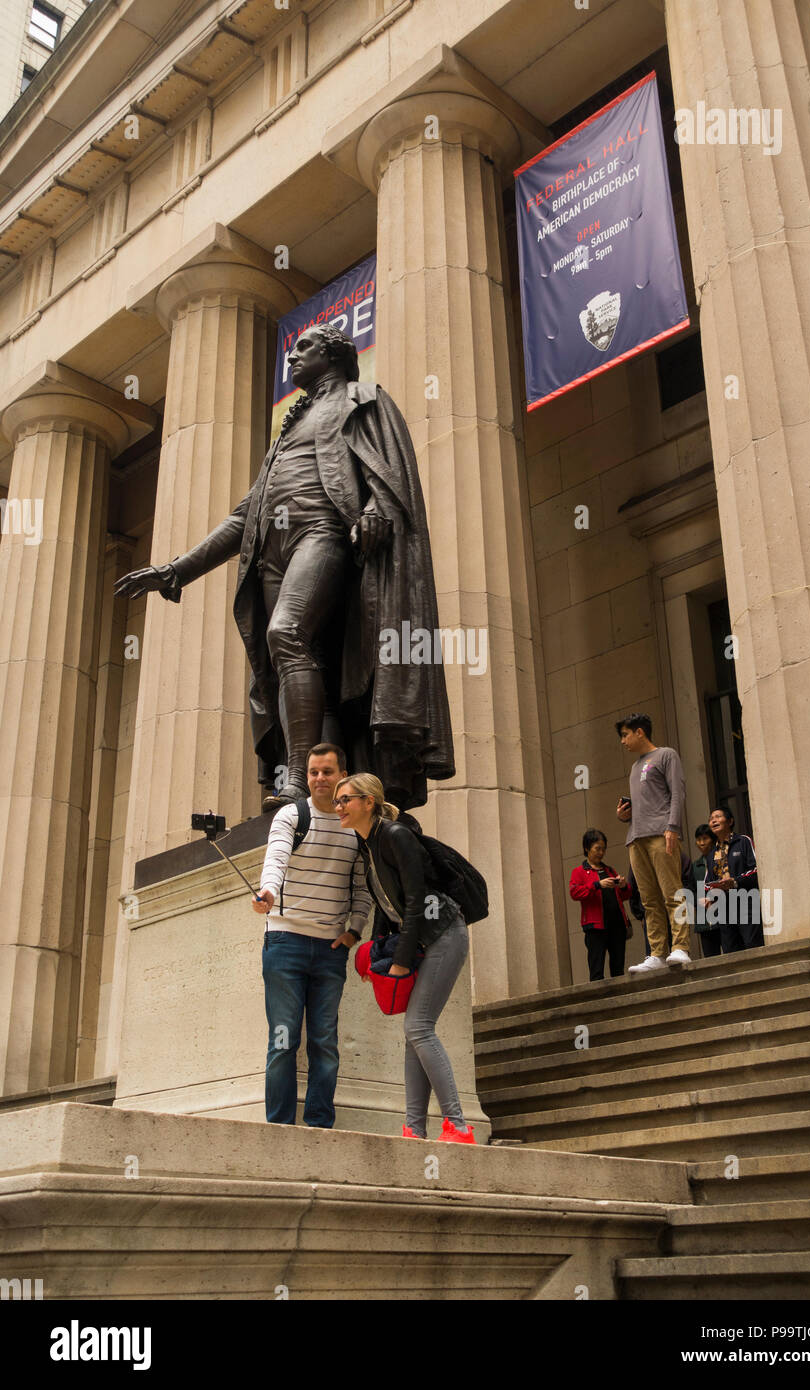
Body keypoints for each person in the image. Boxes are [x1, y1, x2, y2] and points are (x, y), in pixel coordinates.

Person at [114, 324, 454, 812]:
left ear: (334, 354)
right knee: (307, 666)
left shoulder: (361, 398)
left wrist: (378, 509)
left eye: (304, 349)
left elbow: (389, 471)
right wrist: (176, 571)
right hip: (271, 554)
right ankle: (327, 787)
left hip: (324, 532)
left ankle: (296, 778)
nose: (292, 358)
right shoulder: (288, 429)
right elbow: (243, 515)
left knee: (286, 632)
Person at [333, 772, 475, 1144]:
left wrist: (400, 959)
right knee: (414, 1031)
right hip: (423, 941)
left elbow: (415, 902)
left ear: (368, 802)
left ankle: (458, 1126)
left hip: (444, 933)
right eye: (337, 801)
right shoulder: (368, 844)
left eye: (345, 799)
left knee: (418, 1027)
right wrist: (378, 950)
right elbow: (386, 907)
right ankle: (414, 1128)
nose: (339, 807)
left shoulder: (396, 836)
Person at [252, 743, 372, 1127]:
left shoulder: (352, 826)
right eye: (314, 772)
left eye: (328, 772)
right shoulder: (291, 815)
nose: (320, 779)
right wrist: (268, 892)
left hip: (330, 950)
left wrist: (355, 930)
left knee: (325, 1044)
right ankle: (280, 1128)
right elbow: (276, 859)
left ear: (342, 775)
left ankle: (319, 1126)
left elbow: (362, 886)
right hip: (284, 943)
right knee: (283, 1042)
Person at [615, 712, 691, 972]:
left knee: (672, 892)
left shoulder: (666, 755)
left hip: (661, 833)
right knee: (649, 900)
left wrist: (673, 827)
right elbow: (647, 802)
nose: (622, 741)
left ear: (640, 732)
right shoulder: (635, 768)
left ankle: (680, 946)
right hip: (636, 837)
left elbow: (678, 792)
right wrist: (625, 815)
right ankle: (657, 952)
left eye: (625, 734)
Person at [569, 829, 632, 981]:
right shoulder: (579, 872)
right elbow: (575, 893)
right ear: (587, 848)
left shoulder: (609, 870)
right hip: (596, 927)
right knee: (596, 970)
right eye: (597, 848)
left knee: (618, 969)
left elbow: (625, 895)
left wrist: (623, 885)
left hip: (617, 925)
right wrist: (597, 884)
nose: (601, 852)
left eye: (603, 849)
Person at [705, 806, 763, 954]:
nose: (713, 821)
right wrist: (707, 897)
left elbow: (757, 870)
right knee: (730, 951)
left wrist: (735, 882)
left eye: (718, 817)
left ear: (730, 821)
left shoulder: (743, 841)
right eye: (711, 819)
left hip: (746, 902)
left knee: (752, 947)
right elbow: (707, 883)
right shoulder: (711, 853)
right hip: (724, 908)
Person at [626, 847, 697, 970]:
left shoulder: (678, 854)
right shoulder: (638, 855)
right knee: (650, 903)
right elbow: (634, 889)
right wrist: (639, 914)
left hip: (676, 912)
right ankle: (657, 954)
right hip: (653, 916)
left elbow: (688, 885)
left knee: (673, 896)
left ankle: (680, 948)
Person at [693, 823, 721, 957]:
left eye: (705, 838)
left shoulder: (721, 860)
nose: (701, 843)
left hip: (723, 916)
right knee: (710, 957)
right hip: (704, 921)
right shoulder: (695, 866)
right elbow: (690, 889)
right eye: (698, 839)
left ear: (713, 839)